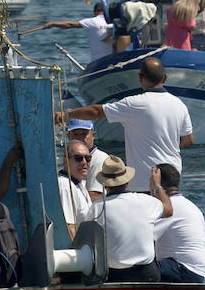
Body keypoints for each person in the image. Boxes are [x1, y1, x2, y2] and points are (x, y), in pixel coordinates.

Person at [62, 56, 193, 190]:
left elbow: (96, 112)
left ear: (140, 78)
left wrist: (66, 114)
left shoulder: (134, 104)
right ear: (164, 78)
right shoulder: (180, 105)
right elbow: (188, 139)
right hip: (172, 180)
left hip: (144, 183)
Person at [88, 157, 173, 282]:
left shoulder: (96, 208)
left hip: (114, 275)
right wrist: (157, 186)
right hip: (146, 273)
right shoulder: (146, 201)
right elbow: (169, 209)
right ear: (127, 181)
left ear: (104, 184)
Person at [153, 163, 205, 284]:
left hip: (182, 271)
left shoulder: (169, 207)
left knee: (134, 269)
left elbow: (145, 237)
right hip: (195, 272)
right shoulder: (190, 205)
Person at [42, 0, 113, 64]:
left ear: (95, 12)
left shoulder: (92, 21)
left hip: (98, 62)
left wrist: (52, 24)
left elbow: (70, 24)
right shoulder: (113, 21)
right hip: (114, 60)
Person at [57, 139, 93, 240]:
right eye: (78, 158)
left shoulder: (79, 183)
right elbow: (69, 227)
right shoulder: (65, 186)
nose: (84, 162)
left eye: (88, 158)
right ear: (65, 160)